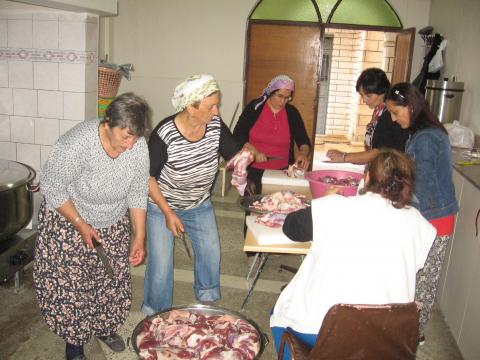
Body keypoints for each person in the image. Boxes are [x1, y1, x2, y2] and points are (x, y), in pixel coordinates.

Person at [270, 149, 436, 359]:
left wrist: (324, 202)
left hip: (324, 330)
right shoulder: (419, 223)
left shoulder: (335, 207)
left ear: (365, 178)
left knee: (280, 314)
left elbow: (290, 227)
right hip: (389, 336)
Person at [34, 93, 151, 360]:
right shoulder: (76, 143)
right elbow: (52, 188)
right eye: (126, 136)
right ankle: (74, 342)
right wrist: (80, 224)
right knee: (73, 285)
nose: (131, 144)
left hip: (111, 220)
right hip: (68, 220)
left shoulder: (138, 145)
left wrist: (139, 236)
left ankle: (104, 327)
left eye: (136, 136)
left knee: (109, 281)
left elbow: (136, 190)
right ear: (108, 123)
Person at [142, 74, 258, 314]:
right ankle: (155, 310)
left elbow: (233, 154)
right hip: (162, 205)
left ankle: (206, 298)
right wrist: (167, 212)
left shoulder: (215, 126)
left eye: (216, 105)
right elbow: (148, 178)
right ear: (190, 108)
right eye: (210, 106)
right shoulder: (164, 134)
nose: (216, 112)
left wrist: (246, 154)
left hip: (199, 204)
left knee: (210, 252)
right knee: (161, 265)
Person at [386, 82, 459, 343]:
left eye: (396, 113)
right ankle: (409, 331)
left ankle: (414, 337)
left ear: (411, 106)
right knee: (416, 277)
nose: (394, 120)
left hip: (434, 219)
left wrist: (395, 201)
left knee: (424, 283)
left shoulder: (427, 138)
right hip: (430, 217)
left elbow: (423, 186)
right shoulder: (421, 133)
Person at [233, 74, 311, 194]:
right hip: (253, 170)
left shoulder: (292, 113)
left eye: (287, 98)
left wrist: (303, 153)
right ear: (271, 92)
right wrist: (253, 150)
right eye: (280, 96)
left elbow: (304, 140)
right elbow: (238, 133)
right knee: (255, 207)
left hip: (283, 173)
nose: (283, 101)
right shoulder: (255, 107)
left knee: (279, 206)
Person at [327, 68, 409, 164]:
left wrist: (344, 157)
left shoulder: (389, 115)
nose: (364, 100)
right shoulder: (379, 111)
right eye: (362, 95)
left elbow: (378, 152)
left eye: (368, 96)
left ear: (382, 92)